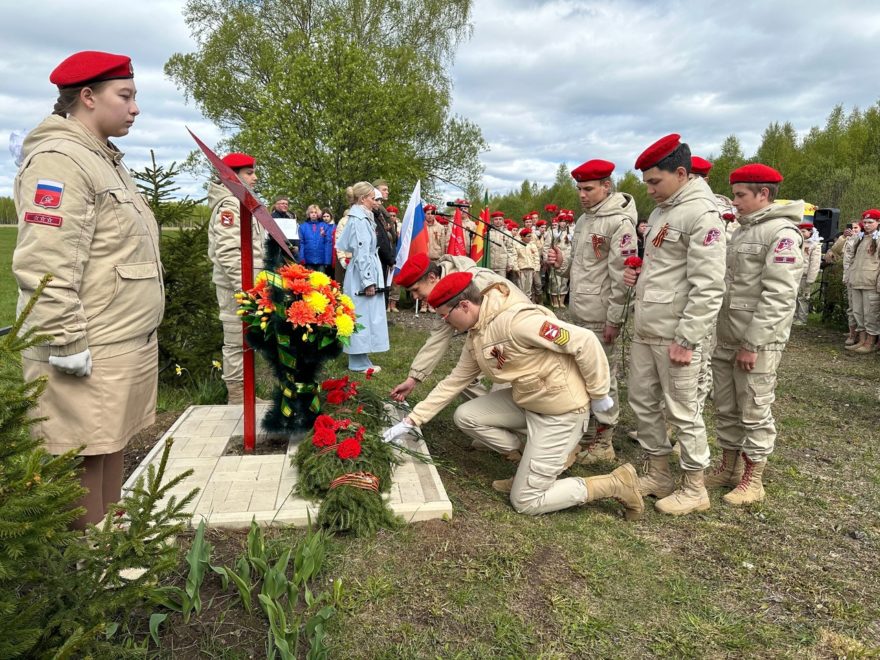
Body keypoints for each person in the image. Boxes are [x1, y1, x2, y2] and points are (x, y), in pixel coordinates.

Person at [12, 51, 164, 528]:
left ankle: (109, 548)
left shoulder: (102, 159)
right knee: (81, 457)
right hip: (86, 343)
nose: (135, 108)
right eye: (126, 96)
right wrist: (66, 341)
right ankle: (87, 569)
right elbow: (45, 263)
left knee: (109, 446)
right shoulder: (60, 161)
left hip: (116, 341)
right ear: (87, 97)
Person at [382, 272, 643, 520]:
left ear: (464, 306)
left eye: (444, 316)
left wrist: (598, 394)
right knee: (467, 416)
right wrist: (412, 420)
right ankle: (528, 464)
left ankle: (615, 483)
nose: (444, 322)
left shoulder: (517, 321)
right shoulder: (477, 331)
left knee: (526, 501)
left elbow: (584, 341)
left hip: (560, 412)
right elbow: (455, 380)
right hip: (529, 401)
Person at [623, 134, 726, 516]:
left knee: (683, 411)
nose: (649, 190)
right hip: (649, 327)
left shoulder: (701, 213)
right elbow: (669, 270)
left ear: (681, 173)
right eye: (647, 182)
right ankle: (660, 472)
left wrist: (688, 337)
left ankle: (695, 486)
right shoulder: (667, 209)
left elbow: (709, 283)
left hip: (676, 335)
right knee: (644, 403)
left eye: (655, 181)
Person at [707, 164, 804, 505]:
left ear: (764, 194)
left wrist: (754, 343)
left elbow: (779, 296)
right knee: (727, 404)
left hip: (755, 341)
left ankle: (754, 478)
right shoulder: (744, 231)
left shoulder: (782, 234)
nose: (734, 202)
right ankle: (729, 467)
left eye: (740, 195)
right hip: (728, 334)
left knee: (753, 407)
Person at [547, 159, 638, 464]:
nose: (582, 195)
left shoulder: (619, 222)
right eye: (579, 189)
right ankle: (587, 431)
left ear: (606, 186)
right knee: (583, 372)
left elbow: (621, 275)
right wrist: (560, 260)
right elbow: (579, 264)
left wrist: (615, 318)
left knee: (604, 375)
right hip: (580, 310)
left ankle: (605, 437)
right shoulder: (585, 221)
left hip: (601, 314)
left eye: (589, 188)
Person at [388, 251, 531, 406]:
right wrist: (413, 378)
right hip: (490, 342)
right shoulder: (444, 293)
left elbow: (512, 319)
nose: (415, 297)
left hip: (518, 341)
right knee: (463, 380)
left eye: (416, 289)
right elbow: (438, 338)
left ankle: (510, 418)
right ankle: (489, 413)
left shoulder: (476, 282)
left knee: (505, 389)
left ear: (431, 277)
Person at [207, 151, 265, 405]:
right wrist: (248, 290)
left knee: (247, 340)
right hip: (237, 288)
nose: (255, 178)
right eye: (249, 173)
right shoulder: (229, 206)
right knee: (235, 340)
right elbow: (230, 254)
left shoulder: (242, 201)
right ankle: (238, 398)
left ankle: (248, 394)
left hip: (250, 286)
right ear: (232, 176)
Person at [336, 181, 389, 372]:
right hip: (361, 271)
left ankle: (362, 355)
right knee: (361, 315)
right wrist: (368, 281)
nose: (376, 202)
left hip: (364, 268)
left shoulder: (363, 217)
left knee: (366, 314)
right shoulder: (359, 219)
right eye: (373, 198)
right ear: (363, 199)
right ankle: (357, 360)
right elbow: (361, 251)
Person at [846, 210, 880, 354]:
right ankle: (861, 340)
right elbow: (852, 259)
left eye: (870, 222)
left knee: (870, 314)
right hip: (856, 281)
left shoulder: (878, 239)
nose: (866, 225)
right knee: (858, 313)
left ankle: (870, 342)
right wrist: (849, 277)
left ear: (878, 223)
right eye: (865, 222)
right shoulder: (860, 239)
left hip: (870, 283)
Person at [793, 222, 822, 325]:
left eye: (803, 231)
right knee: (794, 296)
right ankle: (794, 316)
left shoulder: (815, 245)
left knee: (803, 297)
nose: (801, 233)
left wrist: (811, 279)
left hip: (805, 275)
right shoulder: (798, 242)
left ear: (810, 232)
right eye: (800, 231)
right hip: (795, 274)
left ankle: (802, 318)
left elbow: (815, 264)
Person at [299, 204, 334, 275]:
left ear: (318, 214)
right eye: (311, 212)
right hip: (308, 259)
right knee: (309, 282)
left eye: (315, 212)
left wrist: (327, 260)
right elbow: (301, 243)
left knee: (321, 282)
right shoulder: (303, 227)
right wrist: (302, 259)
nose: (314, 214)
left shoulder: (324, 226)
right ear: (308, 214)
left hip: (321, 260)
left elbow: (328, 243)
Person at [385, 205, 403, 312]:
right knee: (387, 280)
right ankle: (386, 303)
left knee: (396, 281)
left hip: (397, 256)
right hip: (387, 256)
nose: (392, 217)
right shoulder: (383, 225)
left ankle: (393, 303)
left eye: (394, 215)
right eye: (390, 215)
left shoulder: (400, 227)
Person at [271, 195, 299, 259]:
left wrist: (296, 245)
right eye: (282, 203)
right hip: (277, 249)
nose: (285, 205)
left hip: (291, 249)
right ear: (276, 205)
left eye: (286, 204)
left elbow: (294, 233)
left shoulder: (290, 217)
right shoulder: (272, 217)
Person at [514, 228, 539, 296]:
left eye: (530, 236)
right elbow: (515, 257)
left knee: (528, 288)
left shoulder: (532, 245)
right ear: (522, 236)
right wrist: (516, 268)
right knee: (521, 288)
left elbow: (536, 257)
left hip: (531, 268)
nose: (530, 238)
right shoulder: (517, 245)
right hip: (521, 269)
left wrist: (536, 268)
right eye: (528, 236)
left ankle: (528, 301)